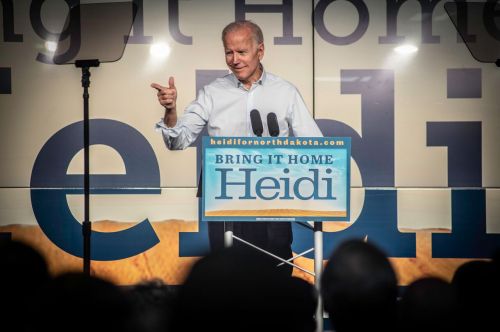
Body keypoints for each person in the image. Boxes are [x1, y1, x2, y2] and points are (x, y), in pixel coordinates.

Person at [152, 20, 322, 275]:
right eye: (228, 52)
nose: (234, 60)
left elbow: (315, 146)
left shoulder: (285, 92)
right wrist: (170, 111)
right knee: (228, 276)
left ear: (260, 51)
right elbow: (178, 140)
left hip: (273, 198)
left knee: (275, 275)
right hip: (225, 201)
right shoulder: (211, 93)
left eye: (241, 52)